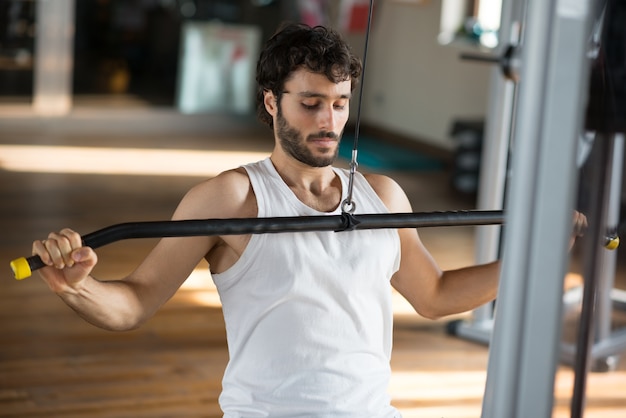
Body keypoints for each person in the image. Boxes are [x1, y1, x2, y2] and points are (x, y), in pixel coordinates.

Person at [32, 23, 587, 417]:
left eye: (341, 103)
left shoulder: (382, 196)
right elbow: (132, 304)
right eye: (311, 103)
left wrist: (533, 257)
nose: (330, 120)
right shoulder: (230, 197)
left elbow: (435, 295)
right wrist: (77, 289)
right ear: (272, 102)